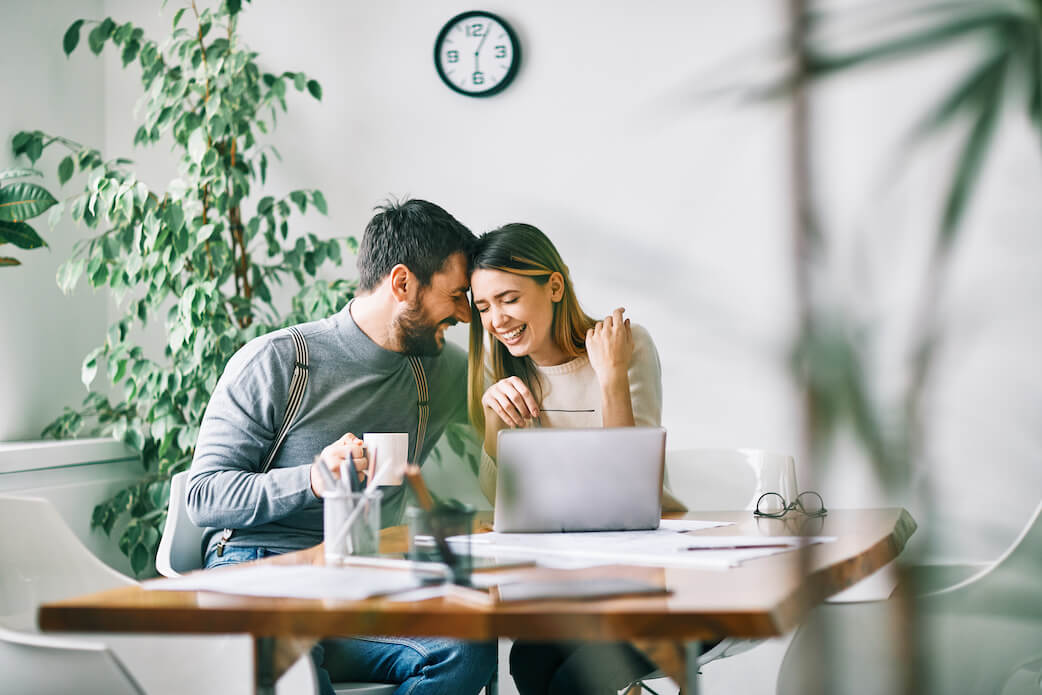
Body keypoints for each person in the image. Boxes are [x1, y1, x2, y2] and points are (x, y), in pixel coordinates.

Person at [186, 198, 496, 695]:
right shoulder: (278, 362)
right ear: (402, 284)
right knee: (294, 672)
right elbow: (204, 497)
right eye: (457, 294)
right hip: (261, 568)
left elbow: (525, 419)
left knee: (466, 645)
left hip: (361, 578)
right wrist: (312, 477)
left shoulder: (441, 369)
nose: (465, 313)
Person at [466, 222, 685, 695]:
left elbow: (632, 484)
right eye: (483, 306)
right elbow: (501, 502)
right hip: (564, 579)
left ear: (555, 286)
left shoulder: (624, 346)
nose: (496, 319)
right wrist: (493, 424)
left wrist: (611, 378)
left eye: (508, 298)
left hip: (646, 577)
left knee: (574, 678)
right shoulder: (504, 366)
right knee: (527, 659)